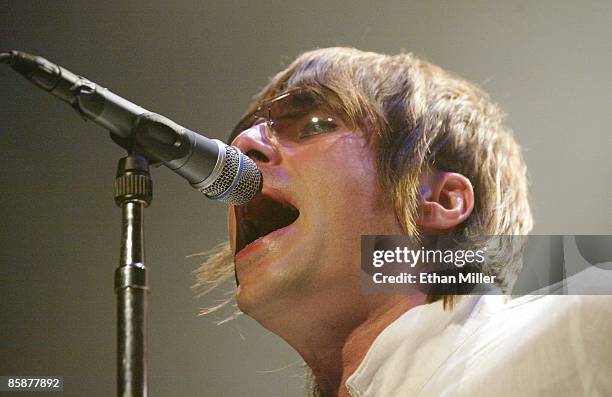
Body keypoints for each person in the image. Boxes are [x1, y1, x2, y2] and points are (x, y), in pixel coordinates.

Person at [195, 47, 611, 396]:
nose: (243, 145)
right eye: (250, 131)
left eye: (314, 125)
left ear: (440, 200)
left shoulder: (578, 324)